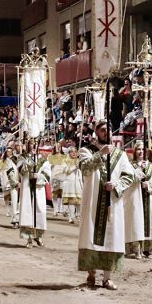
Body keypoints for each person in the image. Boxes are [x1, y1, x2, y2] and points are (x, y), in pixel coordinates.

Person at [78, 120, 134, 290]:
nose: (105, 132)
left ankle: (107, 277)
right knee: (91, 236)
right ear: (96, 132)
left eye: (108, 129)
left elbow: (129, 176)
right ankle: (91, 275)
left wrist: (116, 184)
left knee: (112, 238)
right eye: (102, 130)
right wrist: (100, 154)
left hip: (112, 203)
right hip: (93, 203)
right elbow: (85, 168)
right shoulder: (86, 150)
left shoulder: (120, 154)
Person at [18, 141, 51, 247]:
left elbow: (47, 172)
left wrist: (40, 177)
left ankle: (39, 236)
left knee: (39, 211)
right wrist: (29, 163)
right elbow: (21, 170)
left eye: (34, 143)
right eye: (30, 143)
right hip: (27, 188)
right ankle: (29, 239)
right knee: (28, 211)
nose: (32, 145)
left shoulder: (42, 159)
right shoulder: (21, 157)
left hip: (38, 188)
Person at [0, 149, 20, 227]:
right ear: (5, 153)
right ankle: (8, 210)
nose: (9, 153)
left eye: (10, 151)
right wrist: (0, 172)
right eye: (8, 151)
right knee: (6, 197)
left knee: (15, 200)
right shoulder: (2, 161)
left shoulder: (15, 160)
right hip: (5, 182)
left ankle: (15, 218)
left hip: (14, 182)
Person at [61, 145, 83, 223]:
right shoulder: (65, 161)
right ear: (69, 153)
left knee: (79, 201)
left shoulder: (79, 160)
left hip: (78, 182)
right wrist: (74, 167)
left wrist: (79, 165)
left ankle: (79, 215)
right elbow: (66, 171)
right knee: (71, 201)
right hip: (69, 183)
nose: (74, 153)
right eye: (72, 152)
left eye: (75, 151)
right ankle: (71, 217)